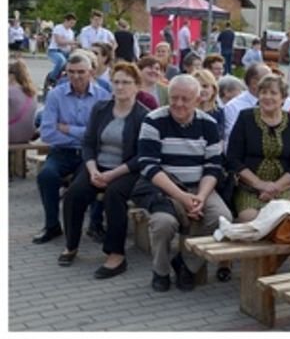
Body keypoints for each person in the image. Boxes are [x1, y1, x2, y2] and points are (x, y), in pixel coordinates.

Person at [132, 75, 229, 292]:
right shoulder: (153, 120)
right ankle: (161, 270)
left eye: (185, 99)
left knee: (221, 218)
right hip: (164, 189)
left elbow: (213, 166)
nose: (178, 104)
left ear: (197, 99)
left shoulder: (209, 124)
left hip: (199, 187)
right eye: (174, 98)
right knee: (163, 224)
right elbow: (148, 166)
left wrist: (201, 197)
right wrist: (182, 197)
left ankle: (186, 264)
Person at [58, 62, 148, 279]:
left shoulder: (144, 116)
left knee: (114, 196)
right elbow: (88, 143)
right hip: (97, 166)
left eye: (126, 82)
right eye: (116, 81)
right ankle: (71, 244)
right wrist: (92, 170)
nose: (120, 87)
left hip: (127, 170)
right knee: (74, 193)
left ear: (137, 86)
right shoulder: (100, 108)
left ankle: (116, 254)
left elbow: (142, 156)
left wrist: (112, 174)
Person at [33, 52, 110, 244]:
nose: (76, 76)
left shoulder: (103, 96)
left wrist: (68, 129)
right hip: (61, 153)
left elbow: (102, 133)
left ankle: (95, 225)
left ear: (91, 72)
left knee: (87, 182)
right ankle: (52, 226)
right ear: (65, 72)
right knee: (46, 176)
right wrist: (84, 135)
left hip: (90, 155)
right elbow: (48, 132)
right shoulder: (55, 95)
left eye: (81, 72)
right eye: (71, 72)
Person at [225, 74, 290, 221]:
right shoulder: (245, 118)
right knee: (250, 218)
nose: (267, 97)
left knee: (282, 219)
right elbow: (233, 159)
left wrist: (274, 188)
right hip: (249, 187)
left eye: (273, 93)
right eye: (263, 92)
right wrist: (260, 185)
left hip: (283, 187)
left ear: (283, 98)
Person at [9, 60, 38, 144]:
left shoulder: (9, 91)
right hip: (27, 135)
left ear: (12, 75)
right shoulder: (32, 92)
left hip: (11, 136)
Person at [46, 13, 77, 88]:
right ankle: (51, 79)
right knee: (61, 61)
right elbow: (59, 42)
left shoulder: (71, 32)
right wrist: (71, 42)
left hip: (66, 53)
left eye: (73, 23)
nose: (72, 25)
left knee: (75, 63)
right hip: (55, 51)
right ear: (66, 21)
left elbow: (71, 45)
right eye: (71, 23)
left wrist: (75, 47)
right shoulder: (58, 28)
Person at [193, 68, 225, 136]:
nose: (201, 90)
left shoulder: (219, 112)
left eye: (205, 86)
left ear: (213, 89)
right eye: (197, 87)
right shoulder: (187, 112)